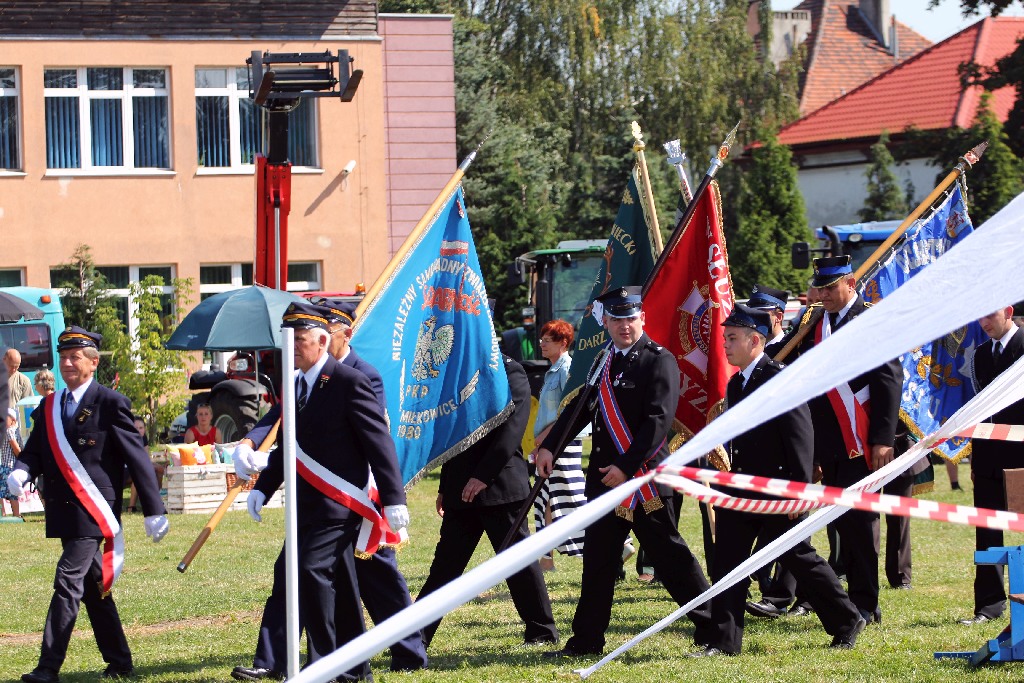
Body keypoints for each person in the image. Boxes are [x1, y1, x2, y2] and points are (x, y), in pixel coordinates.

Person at [231, 302, 408, 682]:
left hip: (339, 505)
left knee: (310, 572)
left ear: (323, 341)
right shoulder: (295, 384)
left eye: (300, 339)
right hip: (304, 503)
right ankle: (354, 669)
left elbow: (378, 442)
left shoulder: (349, 381)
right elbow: (290, 445)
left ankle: (325, 664)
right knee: (331, 583)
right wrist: (264, 487)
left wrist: (394, 499)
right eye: (288, 339)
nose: (293, 346)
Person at [536, 286, 713, 658]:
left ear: (642, 318)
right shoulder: (603, 359)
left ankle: (715, 628)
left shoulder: (659, 360)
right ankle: (586, 640)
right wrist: (551, 446)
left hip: (644, 481)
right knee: (598, 561)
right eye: (617, 319)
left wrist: (625, 467)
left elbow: (658, 422)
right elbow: (581, 408)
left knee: (671, 558)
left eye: (631, 318)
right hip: (605, 481)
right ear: (607, 323)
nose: (625, 326)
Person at [693, 304, 865, 657]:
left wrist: (797, 491)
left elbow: (800, 436)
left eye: (733, 338)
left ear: (755, 340)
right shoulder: (737, 383)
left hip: (778, 489)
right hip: (742, 489)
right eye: (725, 338)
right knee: (728, 562)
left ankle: (847, 619)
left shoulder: (780, 379)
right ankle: (724, 642)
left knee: (798, 556)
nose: (725, 345)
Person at [7, 326, 169, 683]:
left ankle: (48, 667)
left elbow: (136, 456)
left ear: (93, 363)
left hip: (94, 510)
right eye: (63, 357)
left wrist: (154, 508)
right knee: (95, 589)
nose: (67, 363)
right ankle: (120, 662)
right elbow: (35, 450)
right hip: (63, 509)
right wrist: (22, 470)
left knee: (67, 580)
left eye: (75, 357)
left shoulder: (110, 402)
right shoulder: (50, 406)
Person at [777, 256, 902, 625]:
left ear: (851, 283)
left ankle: (866, 603)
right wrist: (813, 452)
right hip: (828, 438)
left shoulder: (870, 320)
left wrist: (882, 439)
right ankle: (845, 599)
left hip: (862, 439)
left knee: (860, 525)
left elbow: (888, 379)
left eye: (831, 287)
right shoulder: (814, 323)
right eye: (821, 288)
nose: (825, 294)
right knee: (840, 524)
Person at [417, 353, 559, 647]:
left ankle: (542, 632)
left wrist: (483, 476)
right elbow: (450, 433)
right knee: (444, 568)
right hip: (461, 491)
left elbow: (512, 430)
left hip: (500, 488)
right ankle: (415, 638)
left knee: (519, 564)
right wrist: (445, 485)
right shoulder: (456, 371)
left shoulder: (510, 371)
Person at [959, 305, 1024, 625]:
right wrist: (976, 457)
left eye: (990, 314)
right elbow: (980, 411)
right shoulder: (981, 355)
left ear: (1008, 311)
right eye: (980, 316)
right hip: (988, 459)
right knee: (987, 533)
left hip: (1022, 457)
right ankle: (988, 605)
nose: (984, 322)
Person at [529, 318, 586, 571]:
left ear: (563, 343)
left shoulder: (567, 369)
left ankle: (620, 543)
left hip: (562, 443)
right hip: (552, 443)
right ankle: (546, 558)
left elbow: (570, 413)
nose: (542, 344)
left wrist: (545, 439)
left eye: (548, 340)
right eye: (541, 340)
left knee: (570, 497)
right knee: (547, 498)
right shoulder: (553, 369)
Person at [0, 407, 23, 518]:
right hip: (11, 465)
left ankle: (7, 513)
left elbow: (16, 448)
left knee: (5, 492)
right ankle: (15, 514)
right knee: (12, 493)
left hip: (8, 466)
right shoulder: (15, 431)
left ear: (13, 420)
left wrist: (21, 458)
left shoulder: (9, 431)